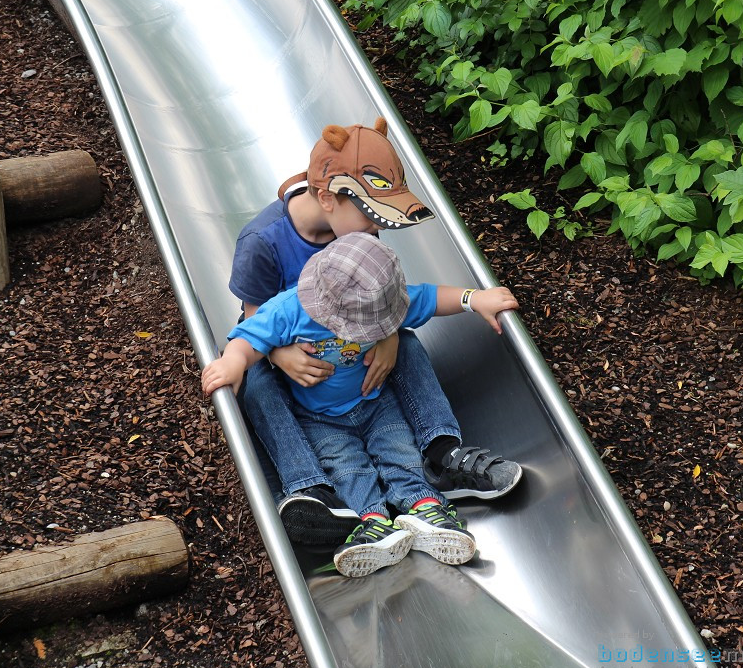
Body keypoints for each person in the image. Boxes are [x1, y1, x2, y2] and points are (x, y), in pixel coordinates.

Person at [228, 119, 522, 545]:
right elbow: (254, 320)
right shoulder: (263, 242)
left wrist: (465, 301)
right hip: (290, 356)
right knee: (255, 382)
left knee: (403, 338)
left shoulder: (358, 230)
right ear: (328, 197)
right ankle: (312, 489)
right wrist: (279, 355)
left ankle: (440, 452)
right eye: (370, 216)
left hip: (358, 352)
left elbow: (393, 297)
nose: (377, 229)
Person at [204, 233, 520, 576]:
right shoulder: (288, 309)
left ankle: (426, 510)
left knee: (400, 453)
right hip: (319, 418)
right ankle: (373, 524)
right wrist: (233, 362)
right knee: (347, 469)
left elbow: (430, 297)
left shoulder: (384, 301)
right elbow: (249, 338)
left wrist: (474, 299)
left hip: (377, 403)